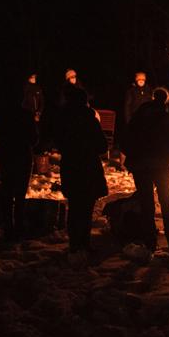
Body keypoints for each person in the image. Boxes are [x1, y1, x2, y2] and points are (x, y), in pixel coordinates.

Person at [122, 88, 169, 251]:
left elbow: (126, 139)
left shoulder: (139, 117)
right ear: (165, 101)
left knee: (146, 202)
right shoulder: (167, 118)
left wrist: (134, 157)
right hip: (162, 166)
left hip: (141, 166)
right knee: (166, 201)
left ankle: (150, 241)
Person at [55, 84, 108, 259]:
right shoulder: (89, 118)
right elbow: (102, 145)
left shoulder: (62, 119)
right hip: (87, 166)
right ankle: (83, 243)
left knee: (75, 205)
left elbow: (59, 142)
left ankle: (74, 244)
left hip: (71, 166)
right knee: (86, 207)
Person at [0, 89, 38, 241]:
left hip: (7, 157)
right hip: (22, 157)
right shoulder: (27, 116)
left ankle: (8, 228)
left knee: (7, 193)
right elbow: (34, 139)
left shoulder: (3, 116)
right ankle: (19, 228)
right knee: (20, 195)